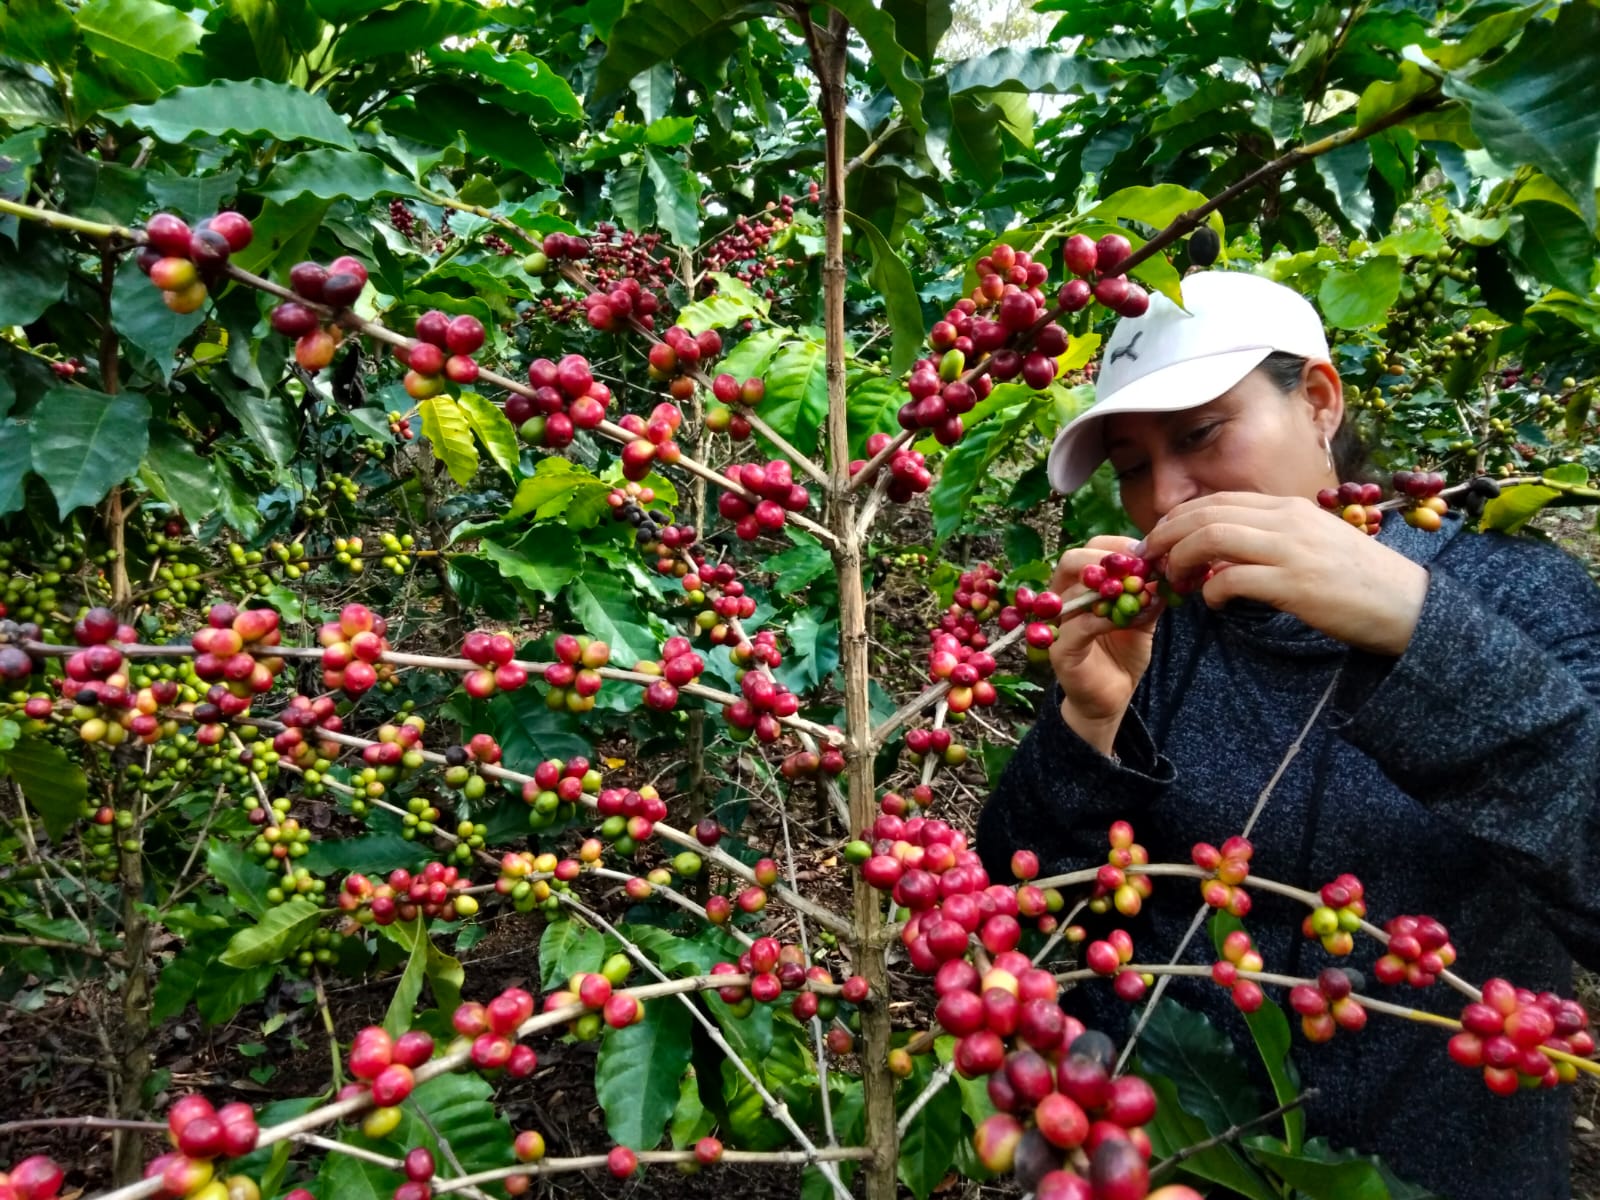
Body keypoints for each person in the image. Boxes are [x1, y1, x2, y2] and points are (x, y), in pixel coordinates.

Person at [976, 270, 1600, 1200]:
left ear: (1316, 400)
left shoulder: (1515, 591)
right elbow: (1026, 894)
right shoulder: (1155, 625)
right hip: (1157, 1160)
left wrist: (1413, 625)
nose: (1167, 495)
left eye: (1199, 434)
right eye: (1133, 467)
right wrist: (1091, 725)